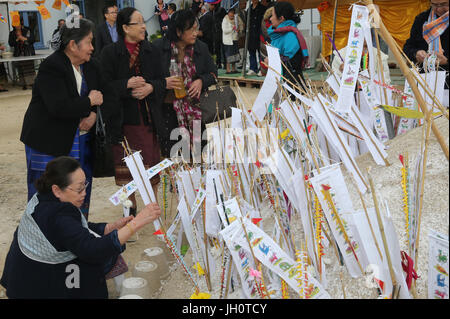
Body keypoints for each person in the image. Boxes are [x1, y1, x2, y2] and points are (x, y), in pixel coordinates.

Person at [0, 156, 161, 299]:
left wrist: (108, 228)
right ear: (57, 189)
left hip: (20, 275)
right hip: (35, 284)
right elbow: (92, 249)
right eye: (79, 189)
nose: (84, 193)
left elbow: (75, 230)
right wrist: (137, 223)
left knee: (108, 242)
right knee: (98, 261)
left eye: (85, 185)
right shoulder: (57, 215)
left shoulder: (44, 198)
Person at [20, 18, 105, 219]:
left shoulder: (90, 65)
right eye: (89, 42)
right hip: (47, 141)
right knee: (47, 190)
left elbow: (105, 93)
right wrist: (89, 102)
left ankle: (76, 231)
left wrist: (93, 113)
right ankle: (42, 235)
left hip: (80, 140)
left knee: (77, 188)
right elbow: (58, 106)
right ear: (73, 45)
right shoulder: (52, 66)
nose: (92, 48)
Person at [101, 7, 166, 216]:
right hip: (121, 121)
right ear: (126, 28)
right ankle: (128, 211)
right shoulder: (110, 53)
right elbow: (102, 86)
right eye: (138, 23)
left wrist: (151, 87)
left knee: (151, 167)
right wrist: (125, 84)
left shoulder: (151, 50)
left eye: (143, 22)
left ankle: (153, 210)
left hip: (147, 119)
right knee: (124, 173)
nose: (144, 26)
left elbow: (162, 79)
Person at [153, 9, 217, 158]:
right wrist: (164, 83)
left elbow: (213, 73)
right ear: (178, 31)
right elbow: (150, 79)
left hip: (195, 110)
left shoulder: (201, 48)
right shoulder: (158, 48)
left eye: (196, 29)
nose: (196, 33)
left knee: (198, 155)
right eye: (191, 29)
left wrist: (201, 81)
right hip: (168, 111)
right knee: (172, 156)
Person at [403, 0, 448, 87]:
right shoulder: (422, 19)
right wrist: (416, 53)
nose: (438, 9)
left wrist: (446, 61)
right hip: (424, 80)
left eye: (443, 4)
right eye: (434, 5)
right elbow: (408, 47)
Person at [267, 2, 309, 89]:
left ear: (281, 18)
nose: (270, 19)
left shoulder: (290, 37)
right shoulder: (278, 35)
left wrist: (272, 60)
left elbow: (291, 64)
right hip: (281, 82)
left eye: (272, 15)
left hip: (291, 85)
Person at [8, 18, 35, 90]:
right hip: (18, 53)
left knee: (29, 68)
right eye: (15, 24)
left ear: (21, 23)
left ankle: (31, 83)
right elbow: (11, 44)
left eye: (18, 24)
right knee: (21, 69)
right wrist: (17, 39)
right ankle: (23, 84)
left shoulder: (27, 30)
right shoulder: (12, 33)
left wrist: (23, 38)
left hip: (28, 52)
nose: (17, 26)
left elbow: (32, 40)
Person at [247, 0, 265, 76]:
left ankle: (262, 69)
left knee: (261, 52)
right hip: (251, 34)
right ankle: (252, 68)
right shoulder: (249, 9)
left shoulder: (262, 8)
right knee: (251, 52)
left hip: (259, 32)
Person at [222, 8, 244, 74]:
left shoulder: (237, 20)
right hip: (228, 41)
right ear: (228, 13)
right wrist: (232, 28)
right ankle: (228, 69)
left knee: (235, 55)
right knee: (229, 55)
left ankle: (234, 69)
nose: (231, 15)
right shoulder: (225, 19)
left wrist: (238, 30)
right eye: (230, 13)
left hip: (235, 39)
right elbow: (224, 30)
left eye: (233, 13)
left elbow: (240, 28)